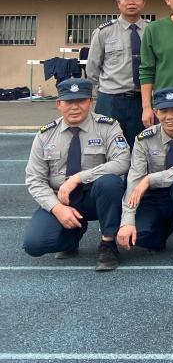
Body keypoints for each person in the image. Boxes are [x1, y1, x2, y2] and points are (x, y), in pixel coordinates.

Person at [23, 78, 130, 270]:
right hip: (62, 199)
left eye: (80, 101)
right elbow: (34, 179)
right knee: (34, 244)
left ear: (90, 102)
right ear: (59, 104)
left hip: (95, 197)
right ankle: (72, 236)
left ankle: (108, 244)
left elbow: (122, 161)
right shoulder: (45, 135)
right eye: (69, 102)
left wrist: (79, 178)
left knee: (110, 183)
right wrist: (57, 208)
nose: (75, 107)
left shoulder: (107, 126)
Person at [116, 87, 173, 270]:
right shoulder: (144, 139)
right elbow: (135, 179)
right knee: (138, 237)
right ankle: (163, 229)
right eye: (164, 111)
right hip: (156, 198)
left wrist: (150, 179)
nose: (169, 116)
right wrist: (127, 221)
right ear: (156, 112)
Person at [86, 0, 149, 147]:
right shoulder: (104, 32)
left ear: (144, 3)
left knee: (141, 148)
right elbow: (92, 69)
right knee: (107, 148)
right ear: (118, 3)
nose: (131, 2)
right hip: (110, 100)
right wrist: (99, 96)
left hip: (142, 101)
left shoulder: (152, 30)